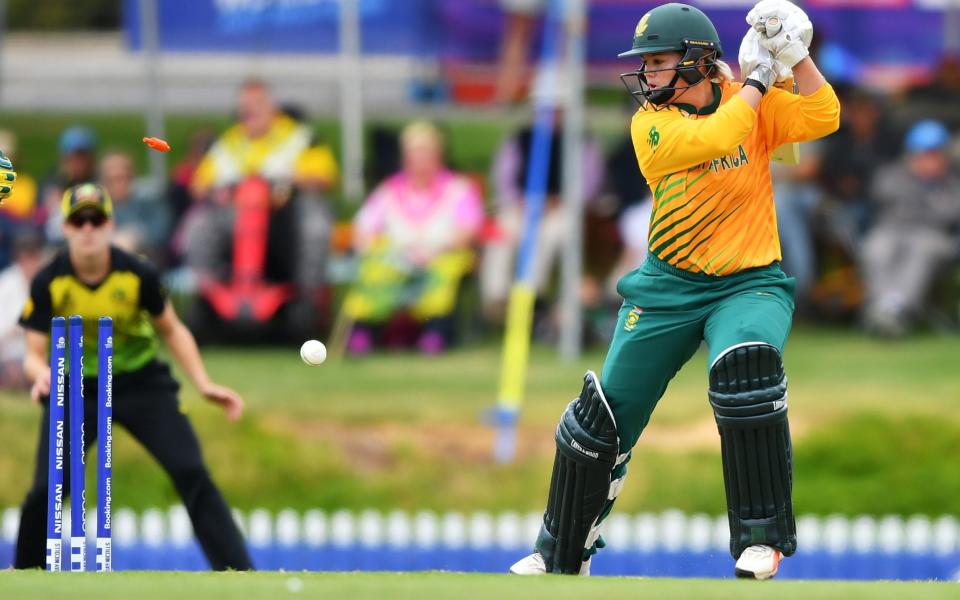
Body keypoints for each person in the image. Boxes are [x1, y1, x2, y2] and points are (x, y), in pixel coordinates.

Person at [509, 1, 839, 580]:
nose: (646, 74)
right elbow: (719, 134)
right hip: (667, 286)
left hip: (747, 283)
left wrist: (796, 56)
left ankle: (760, 540)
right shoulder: (652, 124)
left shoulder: (751, 103)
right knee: (598, 420)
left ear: (696, 62)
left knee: (747, 372)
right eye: (646, 62)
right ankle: (560, 553)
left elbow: (824, 114)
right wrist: (758, 78)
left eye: (658, 62)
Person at [13, 183, 253, 571]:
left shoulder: (137, 273)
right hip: (77, 389)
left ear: (110, 224)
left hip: (142, 383)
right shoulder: (49, 281)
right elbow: (34, 354)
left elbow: (172, 328)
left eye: (96, 219)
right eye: (79, 221)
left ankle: (241, 573)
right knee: (47, 490)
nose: (88, 229)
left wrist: (203, 383)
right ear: (66, 228)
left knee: (190, 471)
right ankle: (23, 575)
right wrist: (42, 376)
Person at [185, 79, 337, 315]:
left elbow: (324, 178)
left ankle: (309, 296)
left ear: (271, 106)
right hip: (238, 218)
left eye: (256, 104)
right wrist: (221, 191)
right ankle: (207, 293)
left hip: (285, 219)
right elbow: (199, 186)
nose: (249, 111)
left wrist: (288, 182)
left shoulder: (300, 138)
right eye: (244, 106)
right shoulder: (229, 143)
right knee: (198, 223)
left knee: (315, 223)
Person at [343, 121, 485, 354]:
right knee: (374, 269)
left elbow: (469, 230)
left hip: (442, 253)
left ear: (438, 156)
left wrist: (435, 250)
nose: (420, 160)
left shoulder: (459, 188)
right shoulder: (389, 189)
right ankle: (362, 332)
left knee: (444, 274)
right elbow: (364, 226)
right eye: (414, 154)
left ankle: (436, 333)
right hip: (396, 256)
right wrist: (371, 245)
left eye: (426, 153)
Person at [859, 119, 960, 337]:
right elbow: (882, 194)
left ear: (944, 156)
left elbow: (949, 214)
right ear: (910, 154)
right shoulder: (892, 174)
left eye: (934, 155)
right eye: (922, 154)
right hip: (892, 231)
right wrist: (918, 185)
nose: (928, 161)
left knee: (920, 252)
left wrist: (930, 190)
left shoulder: (952, 182)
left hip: (932, 236)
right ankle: (884, 308)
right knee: (876, 249)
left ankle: (895, 309)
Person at [98, 150, 171, 265]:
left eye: (122, 178)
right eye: (111, 180)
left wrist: (136, 236)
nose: (117, 184)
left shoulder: (149, 201)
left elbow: (162, 233)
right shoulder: (98, 207)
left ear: (132, 177)